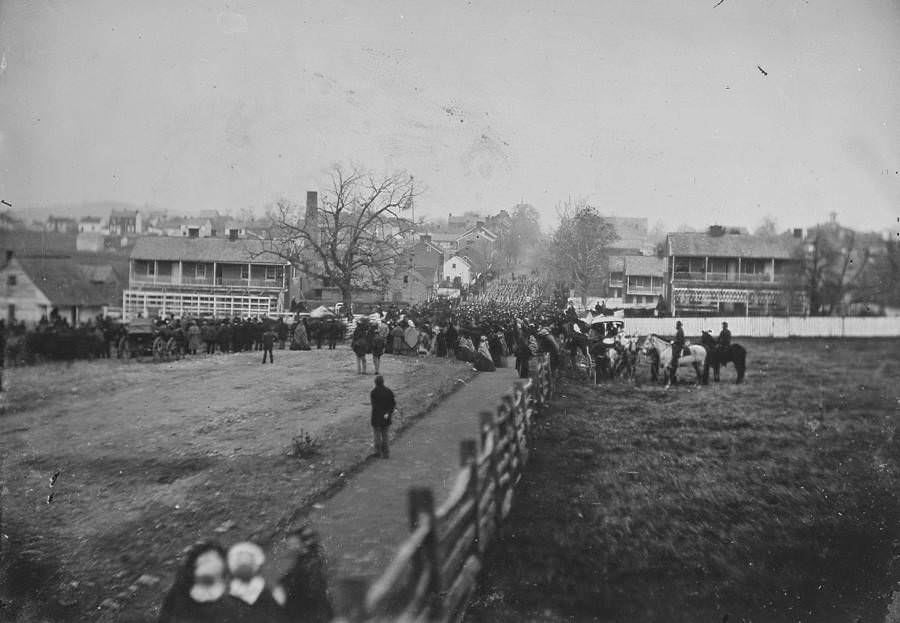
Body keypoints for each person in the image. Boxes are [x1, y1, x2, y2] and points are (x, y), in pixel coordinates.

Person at [370, 375, 395, 459]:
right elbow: (392, 404)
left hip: (377, 417)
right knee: (385, 435)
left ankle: (378, 452)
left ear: (375, 383)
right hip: (386, 417)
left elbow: (375, 406)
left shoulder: (373, 392)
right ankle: (386, 453)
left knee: (377, 435)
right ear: (383, 382)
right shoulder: (389, 391)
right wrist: (388, 413)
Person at [670, 320, 685, 385]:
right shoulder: (679, 331)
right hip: (679, 344)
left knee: (675, 355)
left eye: (677, 325)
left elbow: (680, 340)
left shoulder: (680, 331)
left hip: (679, 345)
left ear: (679, 325)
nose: (676, 326)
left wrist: (674, 342)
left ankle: (675, 362)